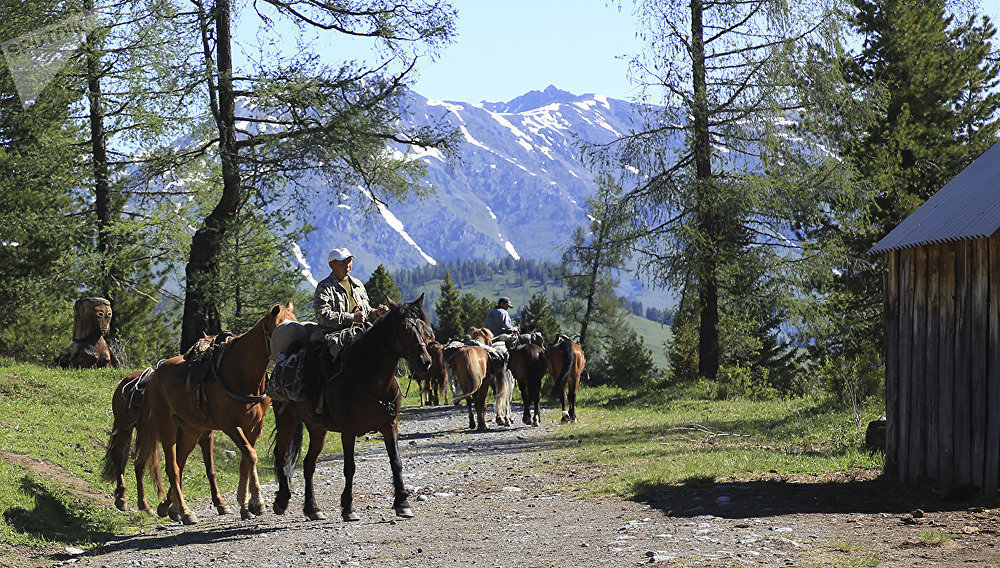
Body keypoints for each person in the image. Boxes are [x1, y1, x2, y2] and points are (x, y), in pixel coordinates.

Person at [313, 247, 388, 333]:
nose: (347, 265)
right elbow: (322, 316)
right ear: (331, 265)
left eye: (349, 261)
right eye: (342, 262)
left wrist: (377, 313)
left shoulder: (358, 285)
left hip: (361, 333)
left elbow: (367, 313)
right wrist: (352, 318)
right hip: (335, 335)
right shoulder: (324, 287)